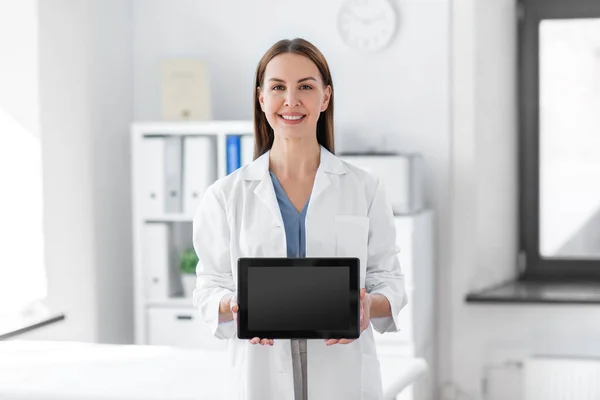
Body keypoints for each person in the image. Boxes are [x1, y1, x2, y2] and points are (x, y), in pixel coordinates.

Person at [192, 38, 407, 400]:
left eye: (305, 87)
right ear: (262, 98)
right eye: (278, 87)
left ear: (325, 98)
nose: (291, 100)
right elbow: (208, 287)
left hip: (343, 372)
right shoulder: (226, 195)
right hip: (260, 372)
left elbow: (390, 280)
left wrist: (369, 305)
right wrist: (233, 306)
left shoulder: (364, 188)